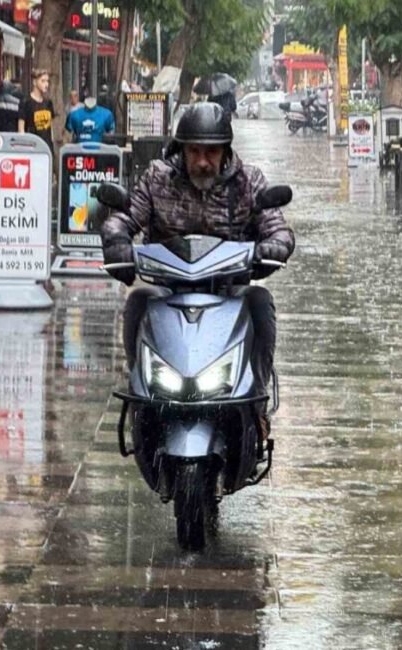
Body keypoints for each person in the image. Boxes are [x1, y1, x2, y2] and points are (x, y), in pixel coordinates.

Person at [102, 103, 295, 439]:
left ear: (225, 152)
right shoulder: (157, 179)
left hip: (228, 291)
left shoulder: (248, 182)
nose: (203, 161)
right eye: (195, 151)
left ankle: (258, 402)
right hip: (168, 291)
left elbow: (278, 228)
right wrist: (117, 240)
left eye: (211, 152)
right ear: (182, 150)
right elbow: (125, 216)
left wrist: (272, 247)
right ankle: (140, 394)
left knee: (261, 301)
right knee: (137, 302)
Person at [18, 69, 55, 154]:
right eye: (43, 81)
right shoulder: (26, 102)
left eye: (47, 81)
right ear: (35, 82)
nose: (46, 84)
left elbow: (50, 126)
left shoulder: (48, 102)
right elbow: (21, 128)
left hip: (47, 146)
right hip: (32, 147)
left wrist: (51, 145)